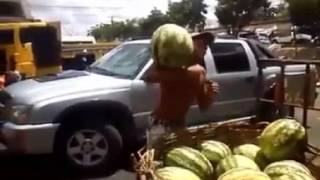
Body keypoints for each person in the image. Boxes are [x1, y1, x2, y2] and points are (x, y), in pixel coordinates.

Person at [145, 31, 219, 147]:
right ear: (186, 46)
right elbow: (148, 77)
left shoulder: (200, 72)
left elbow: (204, 106)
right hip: (160, 124)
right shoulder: (171, 67)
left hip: (180, 125)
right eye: (200, 44)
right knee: (155, 159)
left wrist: (210, 94)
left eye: (206, 45)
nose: (205, 48)